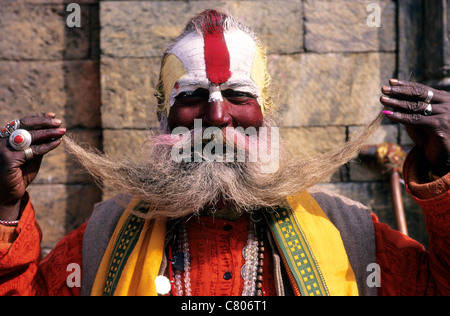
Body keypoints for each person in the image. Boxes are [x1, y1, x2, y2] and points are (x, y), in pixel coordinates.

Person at [0, 10, 449, 296]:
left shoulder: (349, 234)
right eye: (193, 95)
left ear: (265, 113)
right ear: (165, 117)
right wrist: (5, 205)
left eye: (237, 94)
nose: (216, 117)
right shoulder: (103, 238)